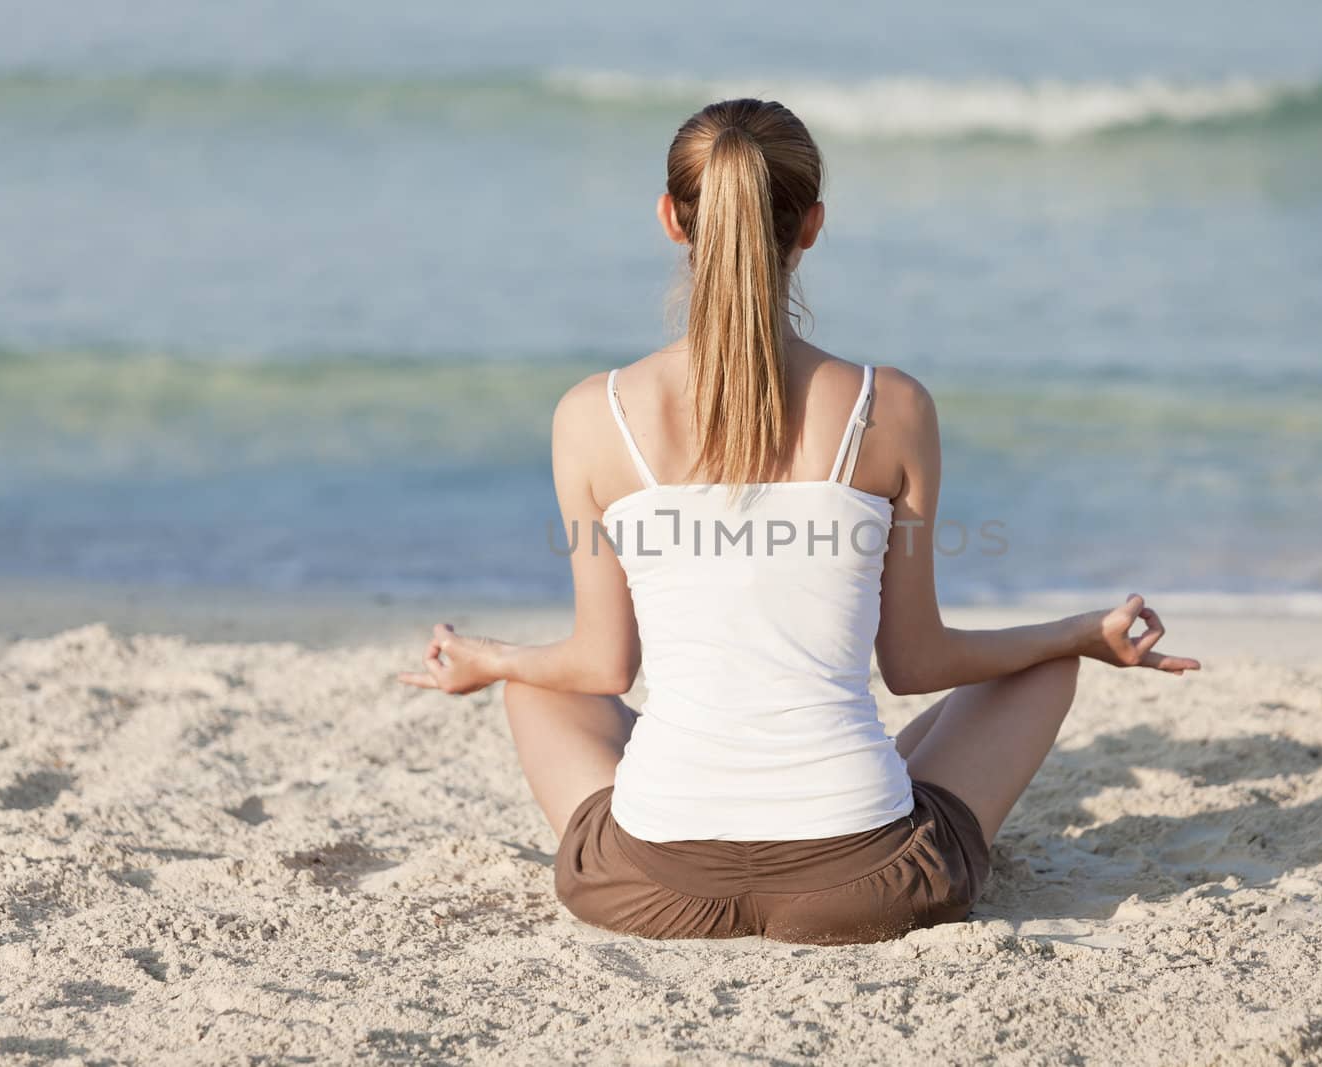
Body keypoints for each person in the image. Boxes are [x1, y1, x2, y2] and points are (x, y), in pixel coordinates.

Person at [398, 97, 1200, 944]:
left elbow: (604, 664)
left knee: (531, 680)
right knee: (1048, 662)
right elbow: (916, 661)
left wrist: (484, 660)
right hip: (869, 884)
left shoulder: (591, 415)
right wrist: (1083, 632)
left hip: (651, 886)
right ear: (810, 225)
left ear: (673, 219)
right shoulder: (890, 405)